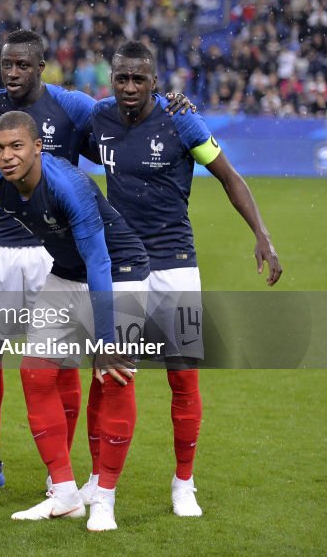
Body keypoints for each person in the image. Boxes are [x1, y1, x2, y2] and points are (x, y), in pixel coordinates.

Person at [89, 40, 282, 518]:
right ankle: (104, 494)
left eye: (139, 78)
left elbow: (230, 176)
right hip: (124, 265)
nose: (130, 87)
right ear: (111, 80)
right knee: (117, 376)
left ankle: (183, 483)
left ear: (156, 81)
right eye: (122, 78)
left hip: (175, 262)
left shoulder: (182, 121)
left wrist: (263, 235)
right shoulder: (98, 120)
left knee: (182, 377)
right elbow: (42, 115)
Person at [0, 111, 150, 531]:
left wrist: (106, 342)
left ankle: (104, 499)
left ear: (38, 147)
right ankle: (65, 493)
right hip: (66, 273)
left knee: (115, 377)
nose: (5, 156)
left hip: (119, 273)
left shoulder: (67, 187)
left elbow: (100, 260)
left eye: (16, 146)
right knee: (36, 373)